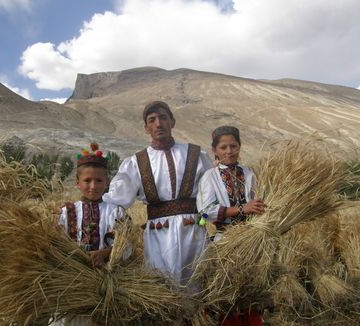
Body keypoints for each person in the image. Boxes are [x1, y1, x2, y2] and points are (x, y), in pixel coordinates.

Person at [103, 100, 213, 286]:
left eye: (163, 118)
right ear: (146, 127)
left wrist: (210, 219)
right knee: (162, 284)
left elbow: (212, 193)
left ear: (173, 122)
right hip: (157, 234)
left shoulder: (196, 154)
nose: (158, 124)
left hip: (193, 231)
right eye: (152, 120)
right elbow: (116, 201)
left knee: (196, 284)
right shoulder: (137, 162)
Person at [196, 126, 266, 326]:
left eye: (233, 146)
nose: (229, 151)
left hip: (253, 243)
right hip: (224, 243)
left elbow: (261, 202)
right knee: (228, 297)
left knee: (252, 295)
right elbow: (206, 213)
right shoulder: (210, 176)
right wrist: (242, 209)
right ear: (214, 150)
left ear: (240, 147)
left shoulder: (251, 173)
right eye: (223, 147)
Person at [55, 144, 125, 326]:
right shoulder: (66, 212)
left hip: (106, 284)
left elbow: (128, 246)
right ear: (78, 182)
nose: (93, 186)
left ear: (107, 182)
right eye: (87, 181)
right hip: (70, 283)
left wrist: (105, 253)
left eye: (99, 181)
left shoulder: (116, 212)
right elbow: (55, 244)